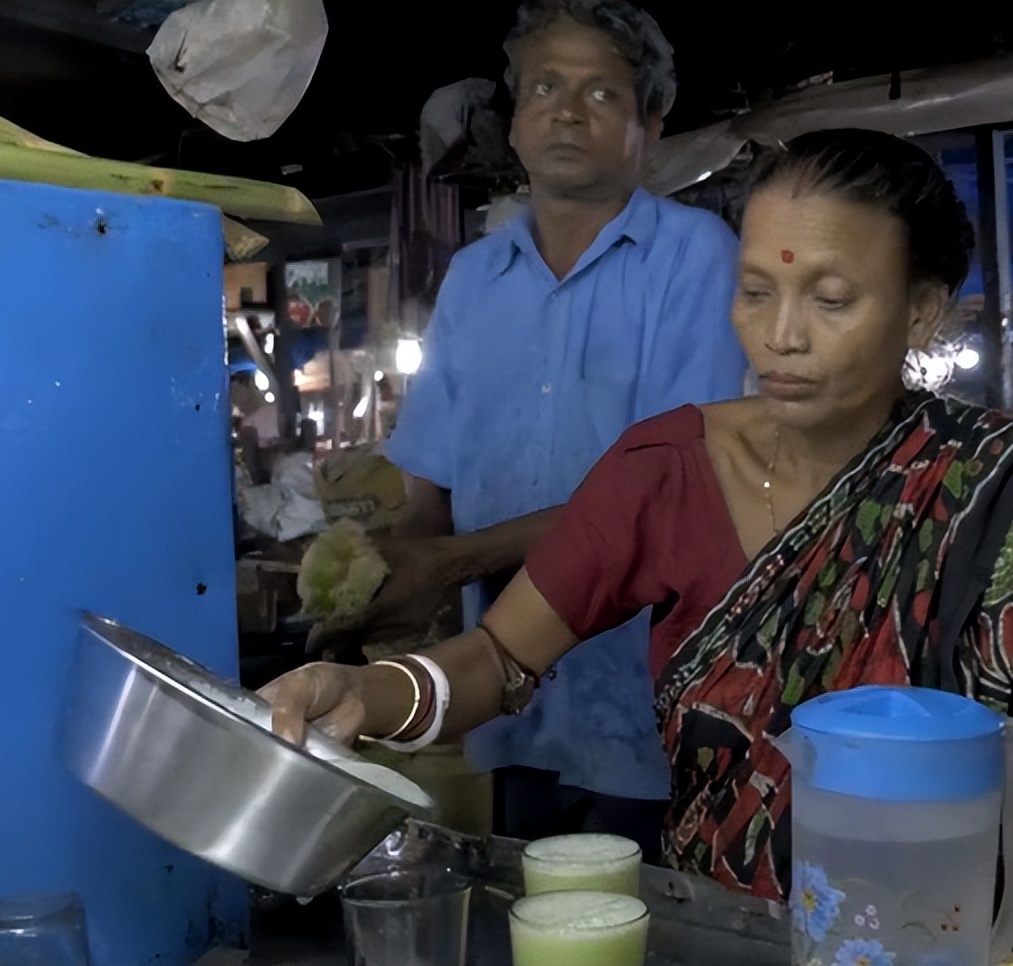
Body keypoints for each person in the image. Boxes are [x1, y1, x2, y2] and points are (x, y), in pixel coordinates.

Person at [262, 129, 1013, 921]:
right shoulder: (665, 469)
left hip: (938, 936)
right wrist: (368, 695)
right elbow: (498, 658)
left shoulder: (1010, 496)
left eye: (831, 298)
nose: (780, 336)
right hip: (719, 930)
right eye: (755, 292)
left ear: (922, 310)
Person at [309, 0, 748, 859]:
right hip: (504, 698)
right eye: (545, 86)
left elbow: (668, 488)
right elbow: (430, 483)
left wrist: (449, 562)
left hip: (649, 697)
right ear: (513, 122)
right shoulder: (473, 279)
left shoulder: (696, 255)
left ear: (649, 126)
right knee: (533, 915)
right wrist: (379, 586)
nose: (567, 109)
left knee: (642, 923)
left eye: (602, 93)